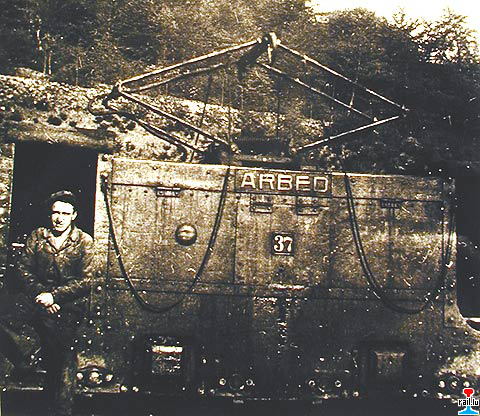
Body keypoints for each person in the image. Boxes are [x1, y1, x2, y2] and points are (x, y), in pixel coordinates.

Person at [0, 190, 95, 416]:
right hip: (38, 300)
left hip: (68, 306)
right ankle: (28, 358)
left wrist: (55, 297)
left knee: (63, 354)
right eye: (55, 213)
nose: (59, 218)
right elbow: (23, 270)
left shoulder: (84, 241)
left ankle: (61, 409)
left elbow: (86, 280)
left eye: (65, 213)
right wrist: (44, 295)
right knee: (5, 320)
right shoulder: (38, 236)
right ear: (50, 214)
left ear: (74, 216)